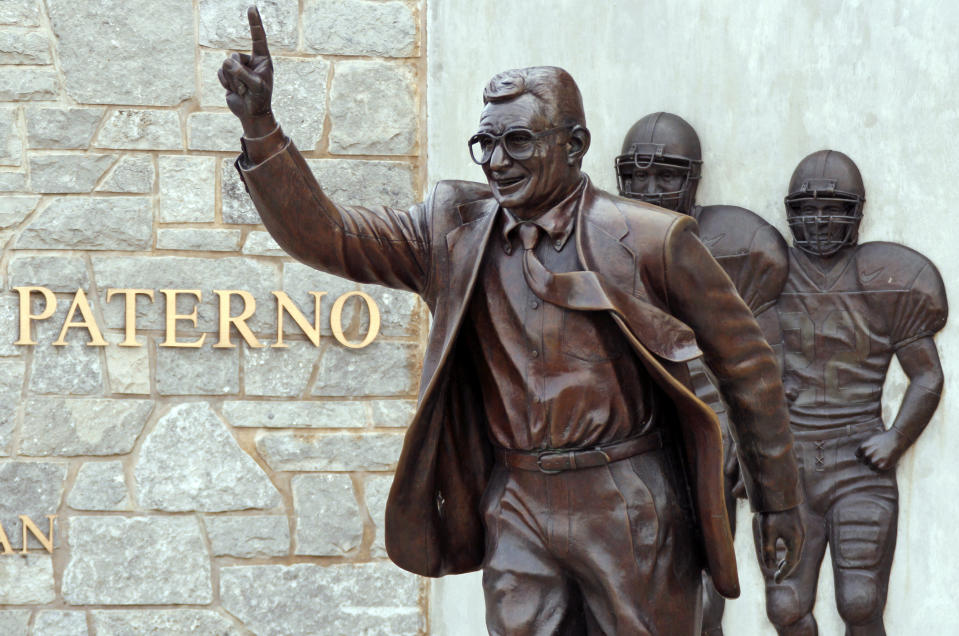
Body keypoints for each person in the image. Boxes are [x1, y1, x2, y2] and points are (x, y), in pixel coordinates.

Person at [220, 8, 804, 634]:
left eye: (519, 141)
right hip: (518, 505)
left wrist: (778, 504)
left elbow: (746, 365)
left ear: (575, 146)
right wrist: (261, 128)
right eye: (486, 144)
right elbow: (329, 236)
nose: (497, 162)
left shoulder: (654, 240)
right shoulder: (451, 230)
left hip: (629, 500)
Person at [615, 112, 790, 636]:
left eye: (666, 175)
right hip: (621, 435)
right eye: (638, 175)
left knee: (700, 601)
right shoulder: (595, 236)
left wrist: (743, 439)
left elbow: (762, 358)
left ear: (694, 178)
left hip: (708, 434)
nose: (650, 189)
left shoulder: (738, 245)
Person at [759, 149, 946, 635]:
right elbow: (732, 368)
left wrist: (897, 437)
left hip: (857, 457)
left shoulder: (885, 279)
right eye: (807, 209)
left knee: (860, 601)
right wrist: (747, 445)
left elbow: (927, 375)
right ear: (791, 212)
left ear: (855, 211)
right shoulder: (766, 274)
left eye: (833, 208)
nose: (819, 220)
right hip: (788, 462)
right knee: (784, 607)